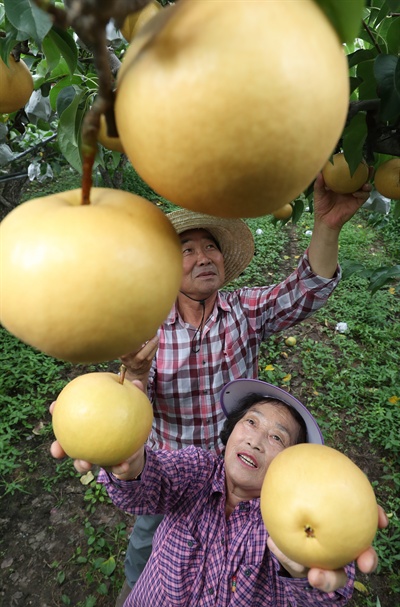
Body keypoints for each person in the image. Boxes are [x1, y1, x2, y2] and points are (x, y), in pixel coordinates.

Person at [116, 173, 372, 604]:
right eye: (188, 250)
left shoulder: (244, 310)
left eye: (211, 247)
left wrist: (328, 226)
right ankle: (135, 591)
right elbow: (129, 409)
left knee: (247, 560)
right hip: (175, 475)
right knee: (148, 542)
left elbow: (305, 290)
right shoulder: (146, 327)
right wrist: (136, 380)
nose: (204, 257)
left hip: (244, 469)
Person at [50, 379, 387, 607]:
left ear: (293, 463)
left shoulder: (284, 524)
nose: (255, 440)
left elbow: (326, 589)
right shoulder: (198, 470)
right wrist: (129, 461)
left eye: (277, 438)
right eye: (251, 423)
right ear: (231, 432)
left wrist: (304, 569)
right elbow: (152, 481)